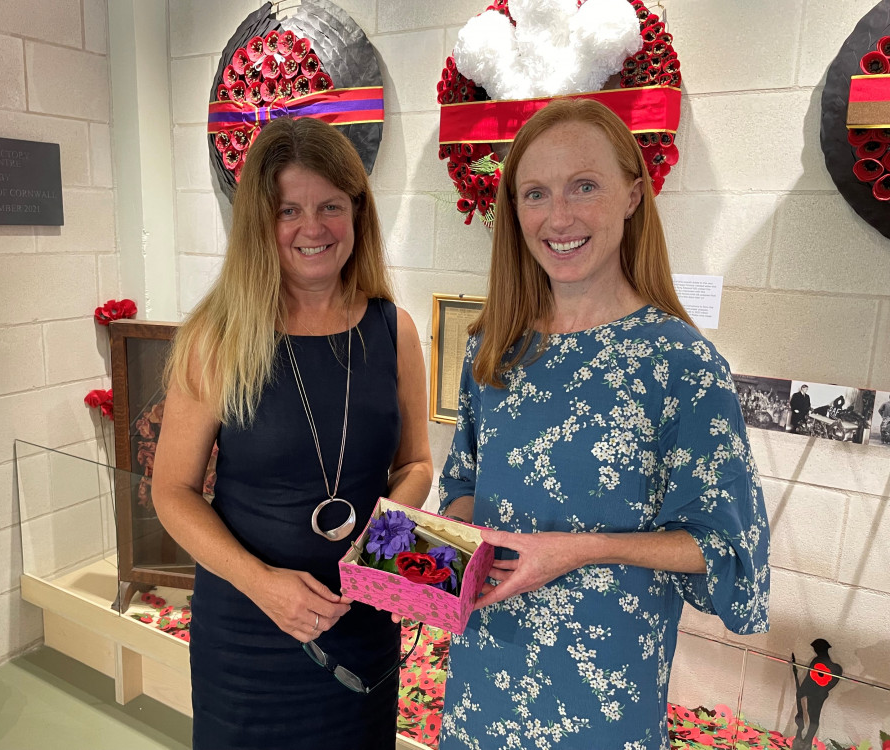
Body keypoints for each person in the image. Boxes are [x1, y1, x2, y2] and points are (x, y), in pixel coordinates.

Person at [437, 99, 770, 749]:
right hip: (483, 679)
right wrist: (449, 536)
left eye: (583, 186)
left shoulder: (682, 364)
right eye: (535, 193)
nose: (558, 217)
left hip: (601, 696)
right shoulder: (493, 348)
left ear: (632, 195)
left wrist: (578, 550)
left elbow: (728, 548)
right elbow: (462, 479)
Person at [151, 116, 433, 750]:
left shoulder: (395, 331)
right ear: (260, 223)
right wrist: (260, 582)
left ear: (357, 214)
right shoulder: (216, 338)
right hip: (249, 632)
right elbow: (172, 491)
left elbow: (415, 463)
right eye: (289, 210)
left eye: (331, 206)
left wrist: (377, 542)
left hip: (360, 617)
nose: (313, 228)